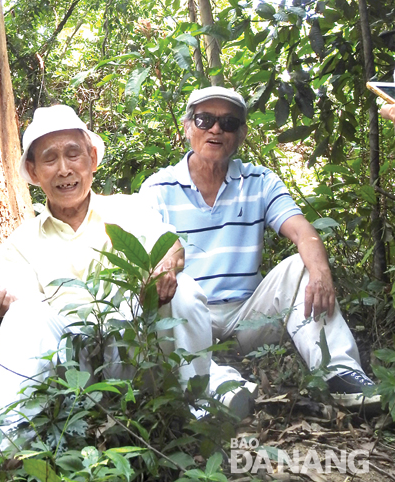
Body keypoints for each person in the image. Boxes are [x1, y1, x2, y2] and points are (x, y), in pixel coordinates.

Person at [0, 105, 248, 450]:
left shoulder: (127, 209)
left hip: (136, 352)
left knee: (185, 291)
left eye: (73, 154)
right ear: (33, 170)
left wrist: (164, 268)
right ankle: (11, 444)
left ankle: (196, 405)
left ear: (91, 159)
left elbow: (169, 244)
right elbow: (15, 294)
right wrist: (0, 300)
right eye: (49, 159)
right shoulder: (20, 242)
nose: (64, 169)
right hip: (72, 370)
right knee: (23, 317)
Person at [140, 86, 377, 408]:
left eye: (228, 123)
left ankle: (341, 373)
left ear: (241, 134)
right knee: (176, 288)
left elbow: (302, 231)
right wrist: (167, 264)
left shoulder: (260, 181)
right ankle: (213, 386)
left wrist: (321, 274)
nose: (215, 129)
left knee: (301, 267)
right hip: (190, 313)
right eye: (204, 119)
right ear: (187, 127)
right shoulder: (158, 187)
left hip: (248, 316)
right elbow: (154, 241)